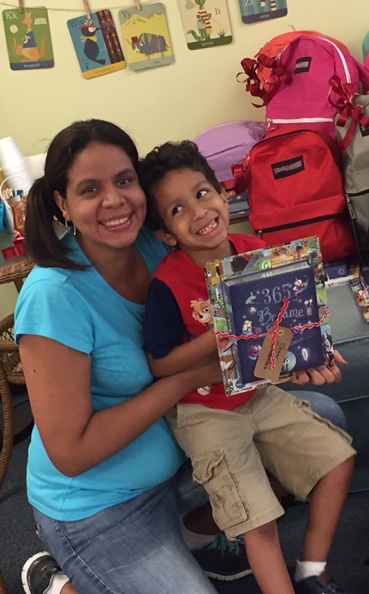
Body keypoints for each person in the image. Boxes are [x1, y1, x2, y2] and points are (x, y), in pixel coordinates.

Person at [15, 119, 350, 594]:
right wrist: (184, 379)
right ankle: (59, 581)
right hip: (100, 505)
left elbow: (248, 323)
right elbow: (71, 454)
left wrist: (301, 351)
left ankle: (191, 533)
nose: (114, 200)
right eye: (90, 189)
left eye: (124, 181)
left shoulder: (157, 240)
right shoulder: (53, 297)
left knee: (322, 421)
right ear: (62, 204)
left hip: (183, 454)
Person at [137, 139, 356, 594]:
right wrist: (222, 331)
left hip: (257, 393)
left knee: (337, 460)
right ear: (166, 235)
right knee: (258, 520)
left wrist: (308, 353)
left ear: (223, 194)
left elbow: (282, 330)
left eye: (202, 193)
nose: (199, 212)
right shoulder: (168, 284)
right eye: (177, 210)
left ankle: (312, 571)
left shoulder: (256, 252)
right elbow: (160, 364)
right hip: (204, 411)